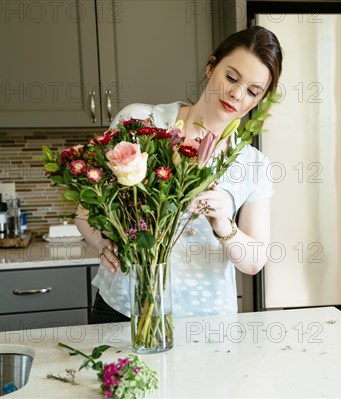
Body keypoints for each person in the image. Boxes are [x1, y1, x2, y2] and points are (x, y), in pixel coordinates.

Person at [76, 26, 283, 323]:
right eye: (231, 77)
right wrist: (100, 244)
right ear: (211, 67)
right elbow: (85, 210)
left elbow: (254, 262)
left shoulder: (252, 164)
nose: (237, 94)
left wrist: (224, 226)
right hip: (125, 308)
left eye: (252, 91)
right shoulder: (141, 122)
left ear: (259, 100)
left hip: (206, 322)